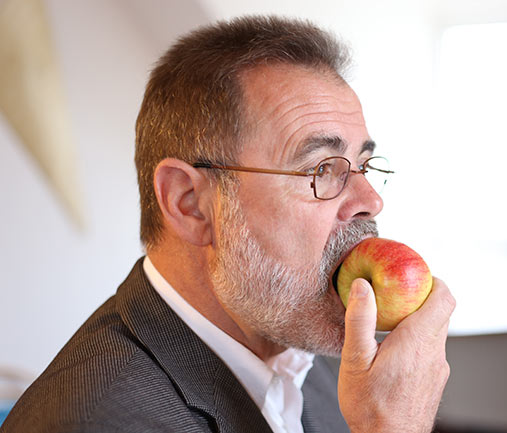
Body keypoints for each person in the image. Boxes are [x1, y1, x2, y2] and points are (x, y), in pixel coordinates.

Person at [0, 15, 455, 433]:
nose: (371, 201)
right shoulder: (94, 422)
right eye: (321, 169)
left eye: (364, 165)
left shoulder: (308, 359)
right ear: (190, 204)